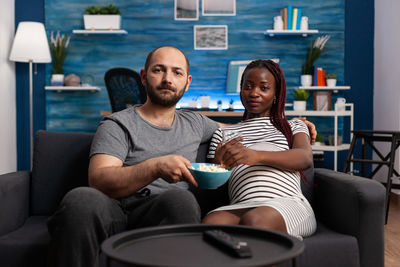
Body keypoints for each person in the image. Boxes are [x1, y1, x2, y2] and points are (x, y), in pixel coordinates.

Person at [47, 47, 317, 267]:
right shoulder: (117, 123)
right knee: (81, 197)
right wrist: (154, 167)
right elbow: (100, 179)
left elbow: (243, 133)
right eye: (158, 70)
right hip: (113, 208)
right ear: (144, 76)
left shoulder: (198, 123)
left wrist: (296, 125)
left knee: (181, 198)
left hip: (163, 212)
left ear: (187, 82)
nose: (167, 79)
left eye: (176, 72)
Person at [202, 59, 317, 240]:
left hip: (286, 203)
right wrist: (219, 167)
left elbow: (305, 158)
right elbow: (215, 192)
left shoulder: (293, 126)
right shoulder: (223, 133)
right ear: (241, 90)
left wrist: (255, 156)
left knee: (255, 221)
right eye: (248, 86)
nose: (254, 93)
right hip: (240, 205)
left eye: (264, 88)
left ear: (275, 94)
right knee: (211, 224)